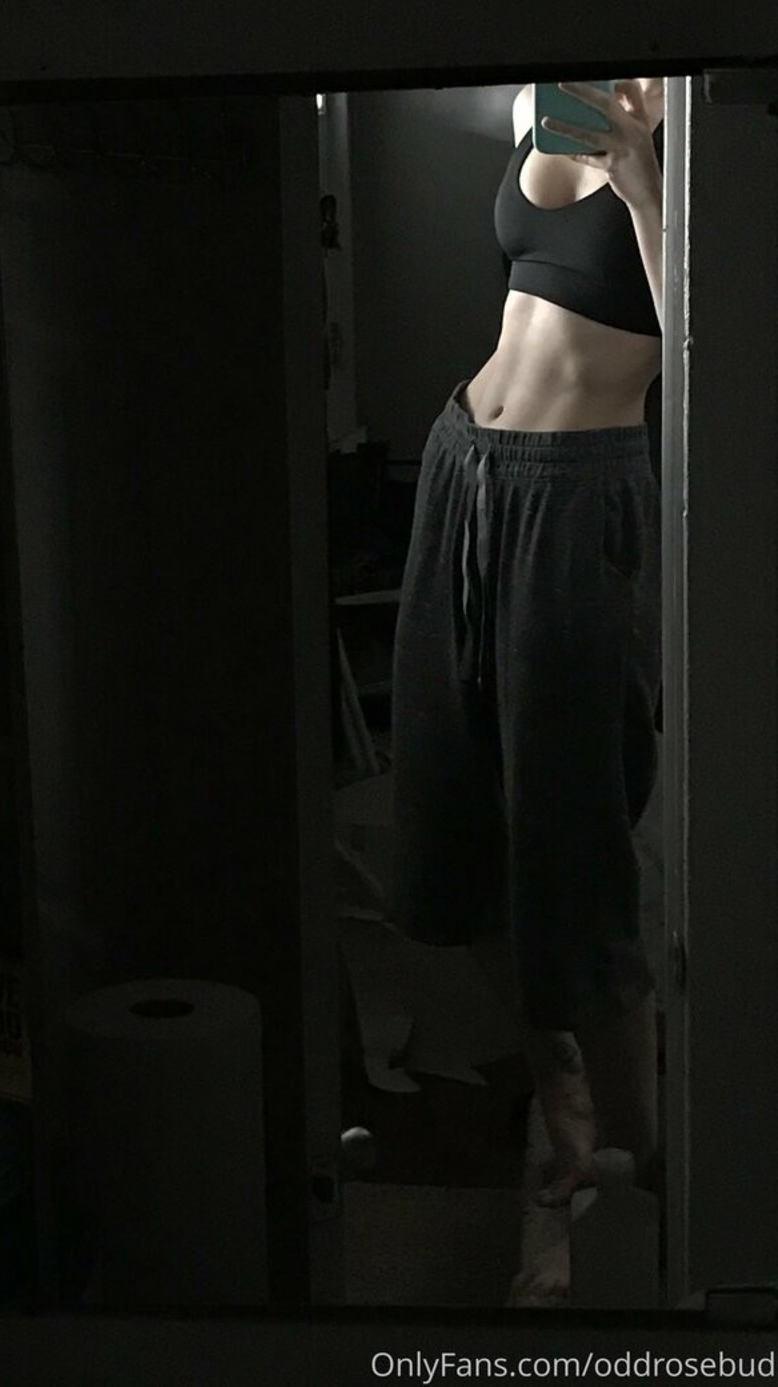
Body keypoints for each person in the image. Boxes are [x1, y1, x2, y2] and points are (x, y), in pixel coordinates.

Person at [390, 78, 665, 1297]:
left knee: (571, 833)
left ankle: (648, 1165)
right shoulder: (536, 104)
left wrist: (646, 181)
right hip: (465, 461)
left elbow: (707, 343)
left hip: (578, 490)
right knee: (450, 806)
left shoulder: (705, 124)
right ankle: (561, 1103)